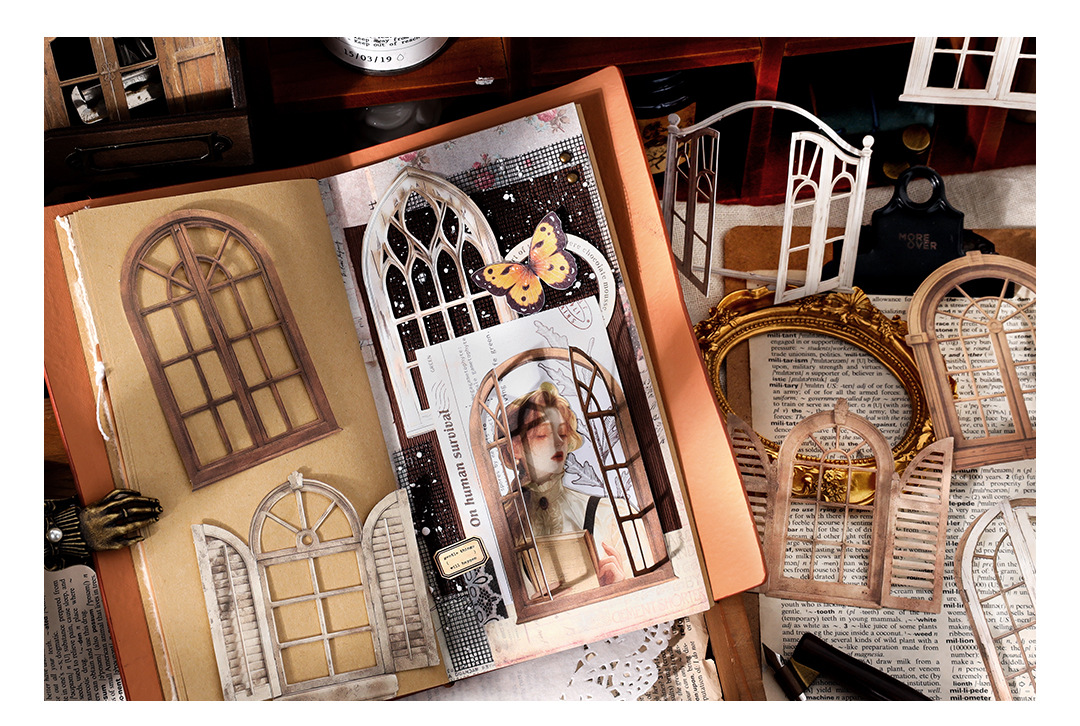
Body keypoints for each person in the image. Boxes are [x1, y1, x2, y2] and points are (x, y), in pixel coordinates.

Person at [500, 381, 639, 587]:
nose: (558, 442)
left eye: (563, 434)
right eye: (542, 435)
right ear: (516, 448)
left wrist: (618, 587)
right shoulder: (503, 526)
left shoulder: (612, 515)